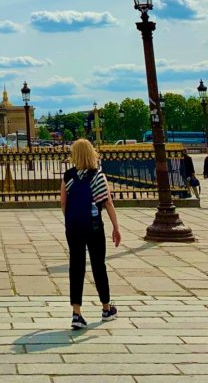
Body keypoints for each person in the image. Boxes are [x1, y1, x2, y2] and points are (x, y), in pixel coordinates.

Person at [60, 138, 120, 330]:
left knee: (75, 267)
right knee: (98, 265)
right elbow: (108, 203)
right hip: (93, 226)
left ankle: (76, 313)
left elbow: (63, 203)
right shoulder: (98, 176)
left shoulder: (68, 176)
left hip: (74, 227)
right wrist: (116, 227)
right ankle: (106, 308)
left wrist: (71, 219)